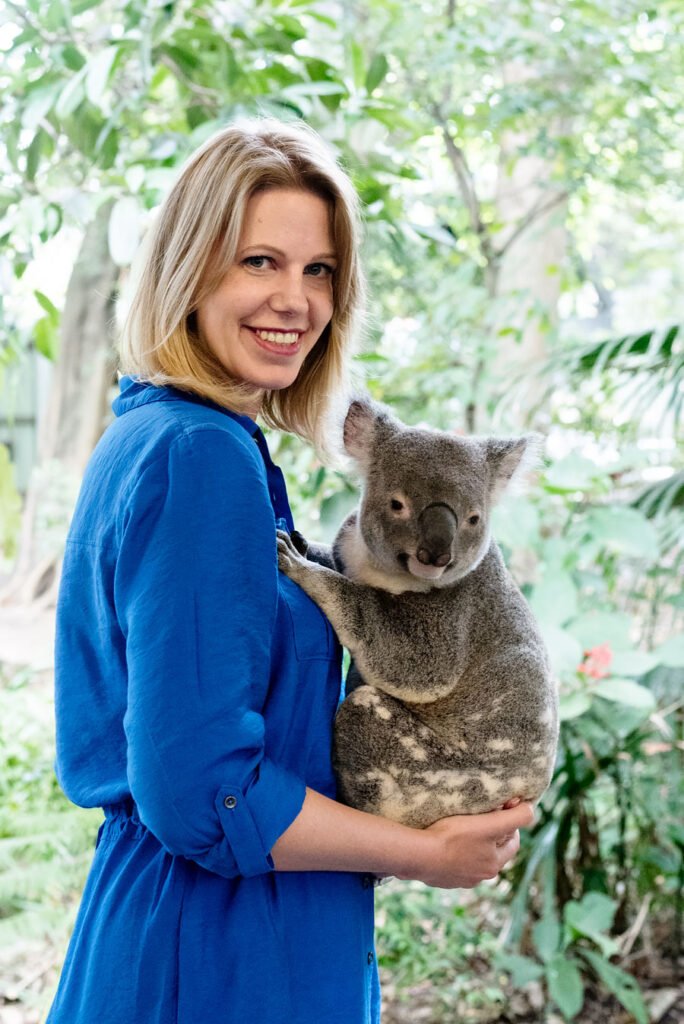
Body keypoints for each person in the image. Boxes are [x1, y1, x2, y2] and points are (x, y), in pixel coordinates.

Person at [47, 118, 534, 1024]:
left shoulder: (172, 434)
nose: (295, 300)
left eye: (319, 271)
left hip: (248, 924)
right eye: (259, 261)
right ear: (188, 269)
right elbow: (205, 793)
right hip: (221, 948)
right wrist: (425, 854)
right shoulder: (198, 456)